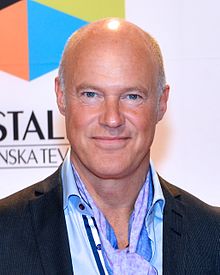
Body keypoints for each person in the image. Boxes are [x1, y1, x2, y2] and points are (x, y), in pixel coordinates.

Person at [0, 18, 219, 275]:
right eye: (91, 94)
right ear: (61, 96)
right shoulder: (5, 232)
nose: (112, 118)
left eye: (132, 96)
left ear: (161, 102)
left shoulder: (213, 235)